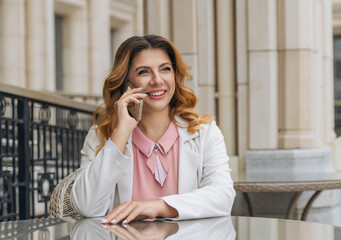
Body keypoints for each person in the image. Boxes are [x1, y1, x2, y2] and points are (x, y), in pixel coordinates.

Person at [70, 35, 235, 224]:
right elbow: (86, 207)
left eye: (165, 69)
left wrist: (156, 206)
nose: (157, 80)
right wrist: (120, 133)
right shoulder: (101, 136)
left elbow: (223, 197)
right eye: (143, 72)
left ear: (174, 74)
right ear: (126, 83)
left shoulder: (204, 132)